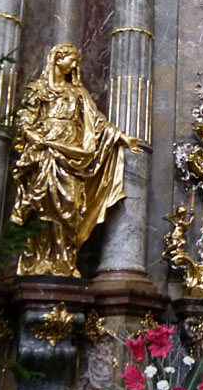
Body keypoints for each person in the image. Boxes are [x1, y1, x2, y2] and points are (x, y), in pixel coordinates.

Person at [10, 43, 139, 277]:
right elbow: (23, 120)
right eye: (71, 59)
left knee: (69, 207)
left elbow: (96, 122)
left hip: (72, 155)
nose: (74, 65)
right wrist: (33, 136)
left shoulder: (78, 93)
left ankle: (64, 261)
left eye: (76, 61)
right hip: (44, 152)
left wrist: (121, 136)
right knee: (41, 206)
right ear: (57, 59)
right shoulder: (38, 90)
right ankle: (39, 259)